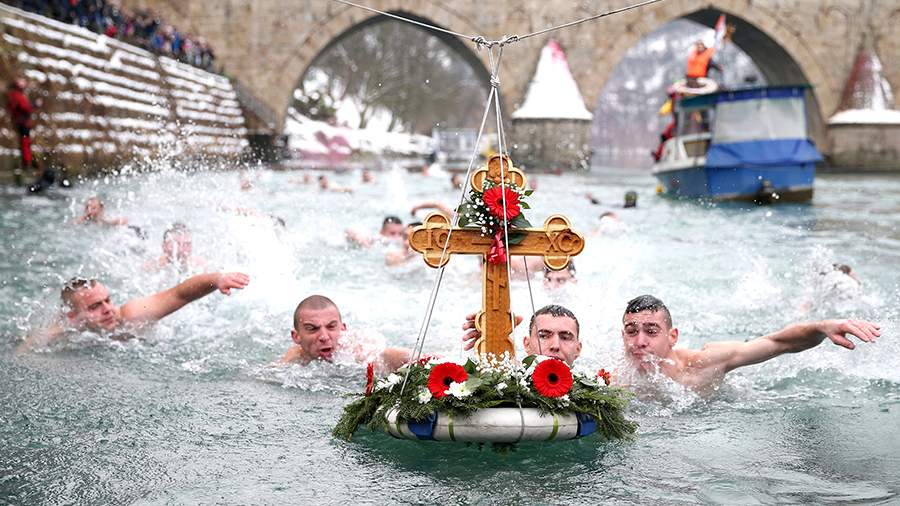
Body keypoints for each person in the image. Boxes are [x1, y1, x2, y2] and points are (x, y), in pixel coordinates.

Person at [618, 294, 880, 394]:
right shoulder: (615, 377)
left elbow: (778, 342)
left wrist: (822, 326)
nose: (640, 342)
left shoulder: (705, 363)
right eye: (632, 331)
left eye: (651, 331)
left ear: (672, 336)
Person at [18, 272, 250, 351]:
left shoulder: (130, 314)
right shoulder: (61, 333)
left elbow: (180, 294)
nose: (108, 309)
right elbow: (25, 351)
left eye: (108, 300)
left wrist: (217, 279)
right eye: (95, 306)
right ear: (72, 316)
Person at [279, 295, 412, 372]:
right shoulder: (292, 360)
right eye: (312, 328)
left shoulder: (356, 351)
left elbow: (386, 355)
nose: (324, 337)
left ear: (343, 329)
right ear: (296, 336)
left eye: (331, 327)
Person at [461, 304, 582, 366]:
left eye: (565, 337)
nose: (555, 346)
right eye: (544, 336)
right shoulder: (512, 381)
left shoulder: (595, 394)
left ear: (578, 348)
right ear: (527, 344)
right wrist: (491, 343)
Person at [144, 223, 208, 273]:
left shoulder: (199, 266)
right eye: (175, 244)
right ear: (164, 247)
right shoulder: (152, 267)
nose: (181, 250)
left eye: (186, 244)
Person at [6, 77, 35, 184]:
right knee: (25, 143)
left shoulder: (14, 95)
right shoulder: (17, 95)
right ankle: (27, 163)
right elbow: (26, 108)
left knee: (25, 143)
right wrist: (34, 105)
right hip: (23, 123)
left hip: (20, 122)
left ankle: (27, 162)